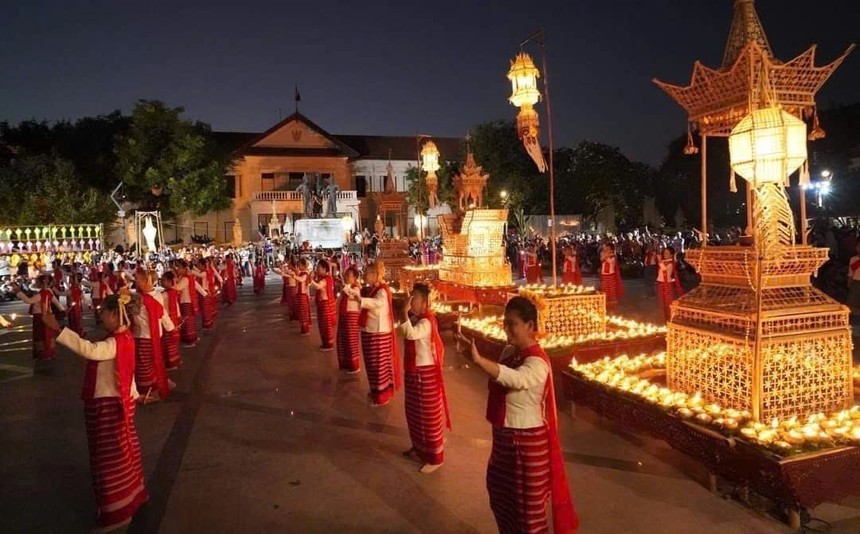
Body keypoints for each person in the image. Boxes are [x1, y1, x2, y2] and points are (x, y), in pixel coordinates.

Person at [458, 296, 579, 534]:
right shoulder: (509, 352)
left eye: (511, 323)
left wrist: (480, 360)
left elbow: (516, 379)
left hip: (526, 445)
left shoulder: (538, 363)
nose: (506, 328)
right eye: (505, 322)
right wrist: (477, 360)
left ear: (530, 327)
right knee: (501, 498)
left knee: (527, 515)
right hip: (504, 438)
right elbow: (501, 376)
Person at [46, 294, 149, 531]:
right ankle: (132, 496)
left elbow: (92, 351)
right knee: (123, 454)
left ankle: (118, 513)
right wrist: (135, 394)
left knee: (109, 460)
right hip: (118, 403)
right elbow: (126, 372)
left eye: (103, 311)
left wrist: (60, 330)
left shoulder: (116, 341)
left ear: (115, 314)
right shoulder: (124, 337)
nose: (100, 315)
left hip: (109, 407)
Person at [397, 283, 450, 474]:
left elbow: (410, 334)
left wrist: (403, 313)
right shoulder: (418, 318)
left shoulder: (427, 321)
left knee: (428, 415)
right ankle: (419, 446)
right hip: (414, 371)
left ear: (425, 302)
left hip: (424, 374)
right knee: (414, 412)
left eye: (415, 298)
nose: (411, 301)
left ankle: (436, 456)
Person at [353, 260, 400, 406]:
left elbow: (378, 304)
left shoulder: (382, 291)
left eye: (367, 272)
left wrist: (361, 300)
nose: (365, 275)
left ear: (375, 274)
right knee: (372, 364)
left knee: (378, 365)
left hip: (378, 332)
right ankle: (375, 390)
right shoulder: (373, 289)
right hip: (370, 329)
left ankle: (381, 395)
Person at [131, 271, 174, 403]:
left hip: (144, 336)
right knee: (153, 362)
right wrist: (170, 327)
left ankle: (148, 390)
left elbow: (137, 318)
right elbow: (163, 313)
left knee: (144, 365)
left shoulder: (141, 299)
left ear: (146, 281)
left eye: (138, 280)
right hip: (155, 336)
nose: (136, 282)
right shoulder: (156, 295)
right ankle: (159, 384)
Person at [15, 275, 65, 361]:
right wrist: (62, 310)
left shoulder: (41, 294)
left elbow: (28, 301)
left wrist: (18, 292)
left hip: (40, 317)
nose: (36, 283)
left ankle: (43, 354)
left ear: (42, 283)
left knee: (41, 336)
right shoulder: (48, 292)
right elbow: (56, 302)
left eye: (37, 282)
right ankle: (49, 352)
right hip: (48, 316)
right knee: (47, 335)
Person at [174, 260, 206, 347]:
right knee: (190, 321)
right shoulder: (186, 277)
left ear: (184, 268)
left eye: (179, 267)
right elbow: (197, 286)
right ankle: (193, 338)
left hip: (185, 302)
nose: (177, 269)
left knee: (187, 322)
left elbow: (177, 288)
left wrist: (171, 283)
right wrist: (205, 294)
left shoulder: (184, 278)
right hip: (188, 302)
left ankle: (190, 340)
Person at [336, 267, 362, 373]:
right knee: (342, 340)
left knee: (351, 340)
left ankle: (354, 365)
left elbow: (350, 294)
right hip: (343, 315)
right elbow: (339, 300)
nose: (346, 277)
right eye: (345, 275)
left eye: (348, 275)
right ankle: (345, 363)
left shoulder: (356, 288)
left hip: (351, 316)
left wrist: (344, 285)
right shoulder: (347, 288)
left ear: (355, 277)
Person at [309, 259, 336, 351]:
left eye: (319, 267)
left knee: (326, 325)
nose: (317, 269)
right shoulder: (322, 278)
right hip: (322, 304)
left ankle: (328, 344)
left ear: (324, 269)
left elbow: (318, 286)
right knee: (322, 324)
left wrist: (311, 280)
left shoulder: (326, 279)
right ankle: (325, 342)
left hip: (325, 304)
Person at [160, 272, 183, 370]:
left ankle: (171, 362)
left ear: (170, 281)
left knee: (168, 342)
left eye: (163, 280)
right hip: (174, 318)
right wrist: (179, 316)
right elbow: (176, 305)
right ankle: (175, 359)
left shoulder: (164, 294)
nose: (161, 281)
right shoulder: (173, 291)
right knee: (173, 341)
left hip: (168, 320)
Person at [656, 246, 683, 322]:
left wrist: (659, 260)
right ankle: (665, 319)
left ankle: (671, 319)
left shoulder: (670, 263)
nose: (665, 254)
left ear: (671, 255)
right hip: (661, 284)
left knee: (668, 303)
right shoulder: (665, 261)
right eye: (664, 253)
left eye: (667, 253)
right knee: (662, 303)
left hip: (667, 285)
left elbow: (664, 269)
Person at [289, 259, 312, 336]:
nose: (298, 266)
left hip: (303, 295)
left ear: (303, 265)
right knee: (301, 313)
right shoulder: (301, 273)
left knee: (303, 313)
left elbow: (301, 280)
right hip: (300, 294)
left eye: (299, 265)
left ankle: (305, 329)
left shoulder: (305, 274)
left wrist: (294, 276)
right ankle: (303, 328)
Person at [600, 243, 624, 313]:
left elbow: (610, 261)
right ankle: (605, 306)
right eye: (605, 249)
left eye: (608, 249)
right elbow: (601, 259)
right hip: (604, 275)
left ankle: (613, 308)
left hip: (611, 276)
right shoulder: (604, 256)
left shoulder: (613, 257)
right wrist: (604, 254)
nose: (606, 250)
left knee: (611, 291)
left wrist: (605, 255)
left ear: (611, 250)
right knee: (605, 290)